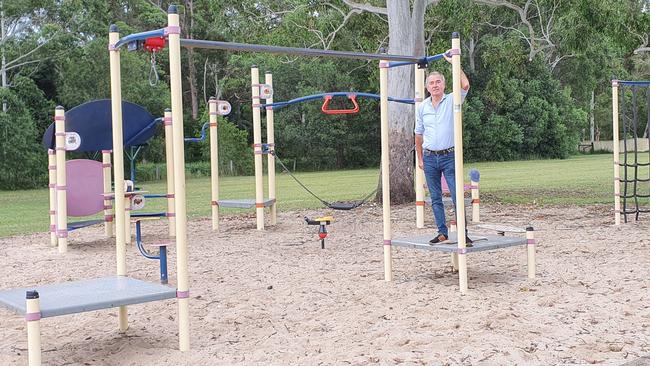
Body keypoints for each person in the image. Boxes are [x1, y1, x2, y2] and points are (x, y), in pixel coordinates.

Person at [414, 52, 471, 245]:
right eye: (432, 83)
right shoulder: (422, 107)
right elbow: (418, 134)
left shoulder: (452, 100)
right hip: (430, 157)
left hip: (449, 156)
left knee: (456, 196)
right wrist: (420, 158)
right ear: (427, 87)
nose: (435, 85)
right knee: (435, 197)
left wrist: (455, 63)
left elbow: (465, 85)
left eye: (438, 82)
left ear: (444, 85)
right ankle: (442, 232)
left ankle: (463, 233)